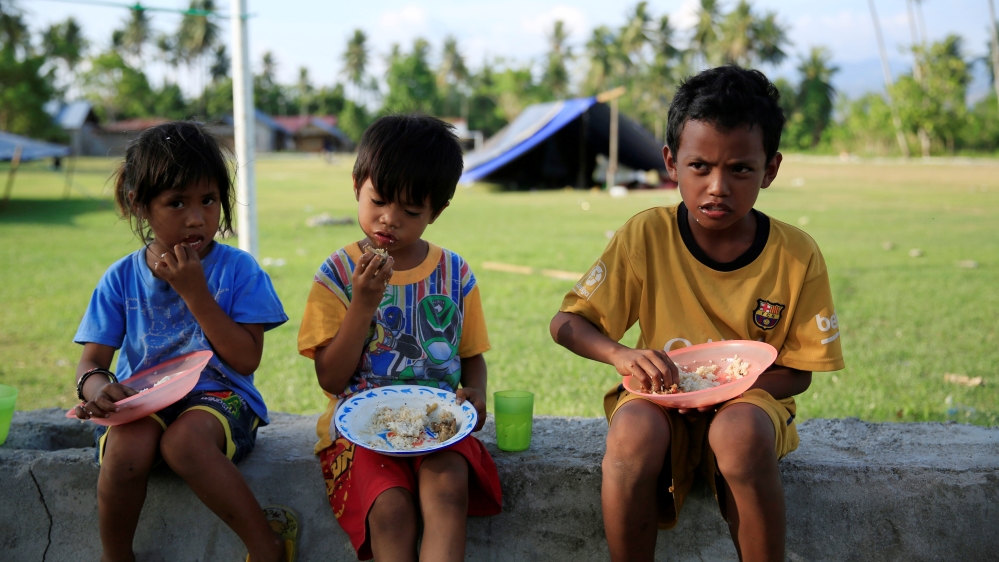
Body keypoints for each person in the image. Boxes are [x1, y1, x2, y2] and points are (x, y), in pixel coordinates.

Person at [550, 66, 845, 562]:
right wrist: (623, 355)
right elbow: (566, 323)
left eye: (741, 169)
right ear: (671, 162)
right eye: (700, 166)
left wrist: (730, 390)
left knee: (738, 434)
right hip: (660, 398)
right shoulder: (646, 237)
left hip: (751, 403)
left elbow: (798, 371)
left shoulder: (796, 254)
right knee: (631, 436)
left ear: (770, 169)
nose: (717, 187)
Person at [72, 121, 298, 562]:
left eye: (208, 200)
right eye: (176, 202)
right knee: (126, 449)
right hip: (144, 401)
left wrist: (195, 292)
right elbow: (92, 361)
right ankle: (116, 555)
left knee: (184, 444)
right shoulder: (120, 279)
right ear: (139, 205)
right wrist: (98, 389)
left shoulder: (239, 271)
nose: (197, 217)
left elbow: (245, 359)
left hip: (222, 397)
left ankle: (264, 546)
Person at [298, 114, 501, 562]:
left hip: (437, 423)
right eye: (379, 200)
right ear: (356, 185)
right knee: (390, 509)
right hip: (360, 427)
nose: (389, 219)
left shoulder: (455, 274)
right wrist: (363, 304)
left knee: (448, 491)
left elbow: (471, 357)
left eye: (410, 211)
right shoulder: (336, 274)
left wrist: (477, 395)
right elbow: (331, 378)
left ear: (437, 211)